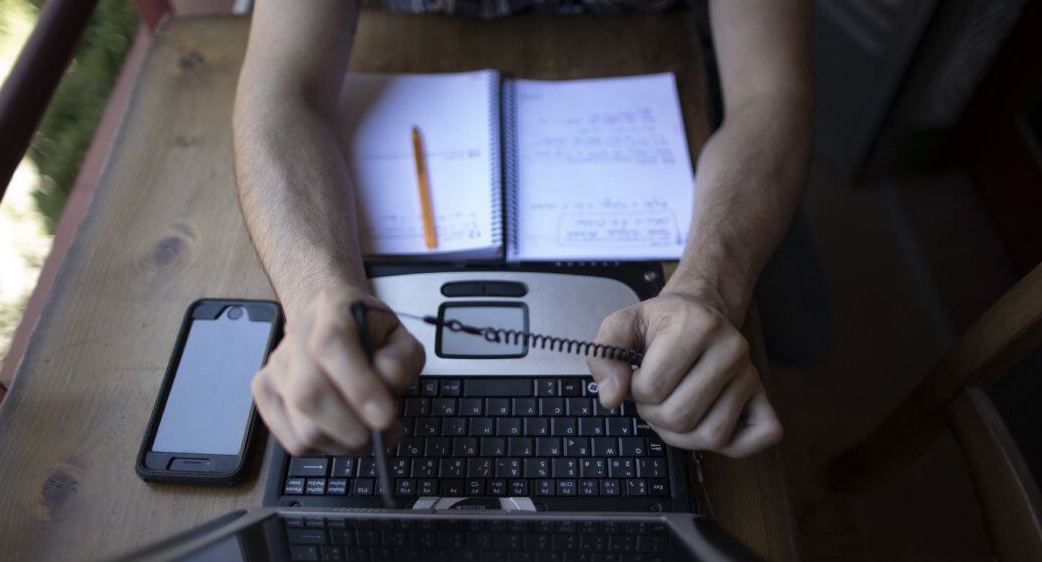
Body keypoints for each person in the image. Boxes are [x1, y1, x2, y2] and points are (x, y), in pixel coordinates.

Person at [234, 0, 814, 460]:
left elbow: (771, 94)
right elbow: (282, 93)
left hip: (659, 58)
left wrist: (708, 288)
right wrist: (313, 295)